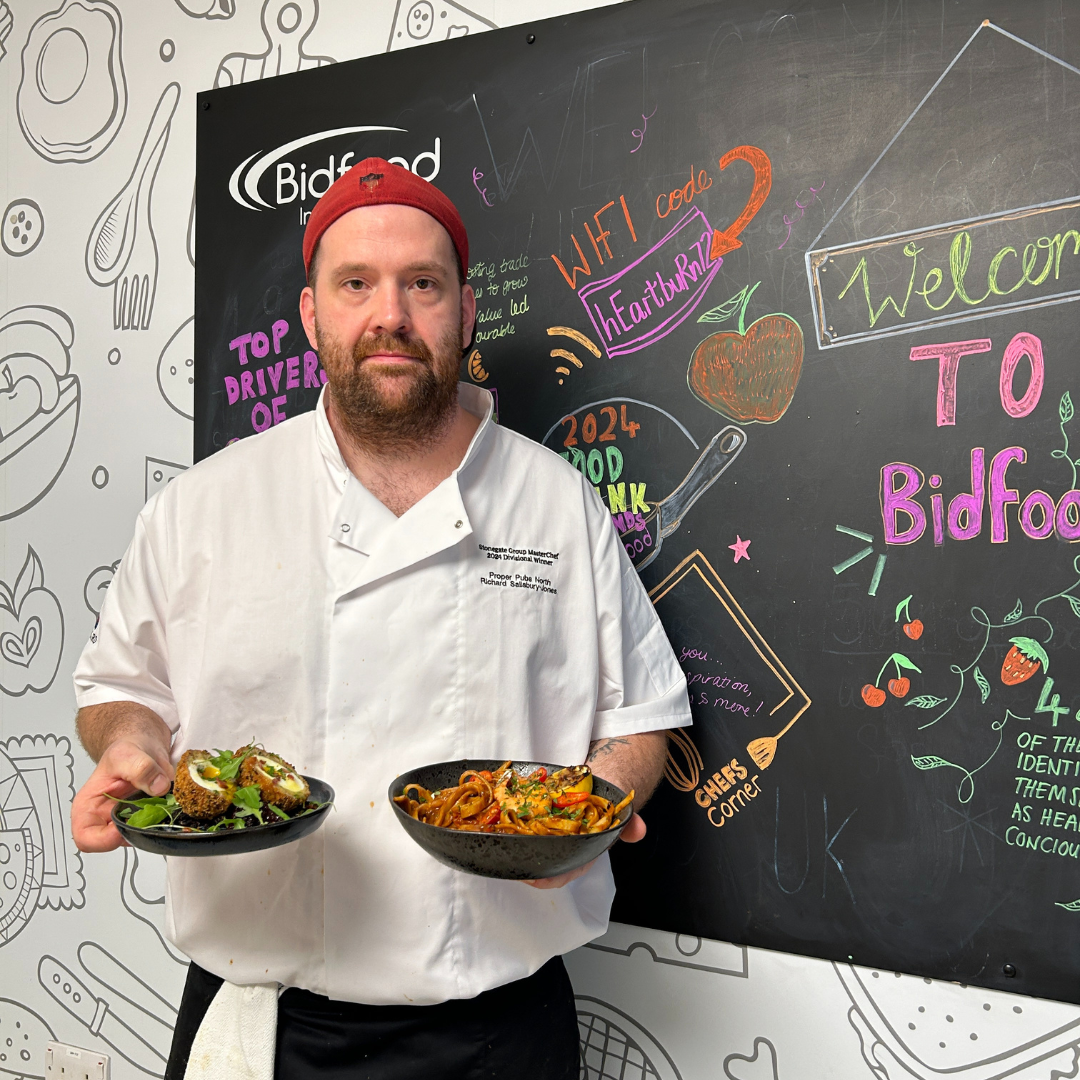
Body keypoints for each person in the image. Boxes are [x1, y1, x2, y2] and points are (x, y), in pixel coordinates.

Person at [71, 158, 692, 1080]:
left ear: (467, 311)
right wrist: (128, 746)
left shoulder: (558, 505)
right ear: (312, 315)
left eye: (423, 284)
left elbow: (643, 720)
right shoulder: (203, 507)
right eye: (355, 283)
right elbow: (119, 688)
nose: (390, 314)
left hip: (500, 1030)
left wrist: (590, 811)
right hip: (263, 1026)